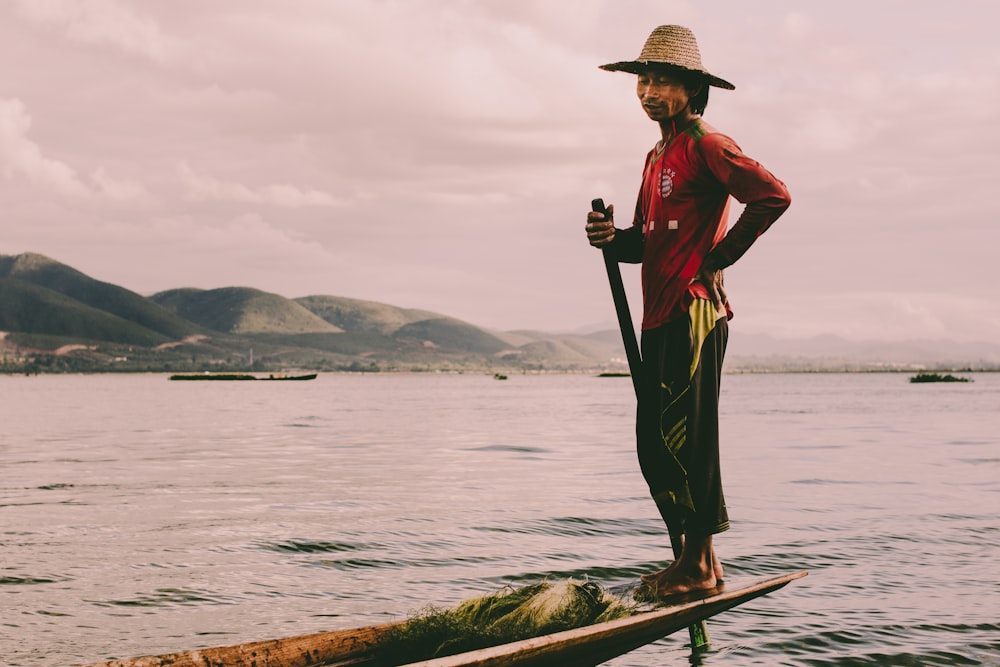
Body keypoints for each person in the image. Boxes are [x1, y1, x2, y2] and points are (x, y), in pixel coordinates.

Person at [585, 25, 791, 598]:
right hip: (659, 313)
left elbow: (772, 195)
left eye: (662, 81)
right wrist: (611, 237)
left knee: (688, 439)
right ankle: (700, 561)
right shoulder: (657, 155)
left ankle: (696, 567)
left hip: (694, 312)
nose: (649, 91)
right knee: (656, 441)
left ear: (691, 88)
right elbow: (646, 241)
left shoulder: (707, 143)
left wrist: (716, 260)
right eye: (642, 80)